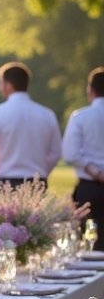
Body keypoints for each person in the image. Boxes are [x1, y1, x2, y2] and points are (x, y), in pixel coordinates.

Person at [0, 61, 62, 187]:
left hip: (4, 181)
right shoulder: (47, 114)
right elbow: (56, 152)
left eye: (0, 83)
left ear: (8, 85)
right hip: (37, 181)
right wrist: (41, 170)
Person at [62, 66, 104, 251]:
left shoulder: (80, 116)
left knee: (90, 241)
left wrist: (95, 172)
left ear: (91, 90)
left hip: (90, 186)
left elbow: (71, 153)